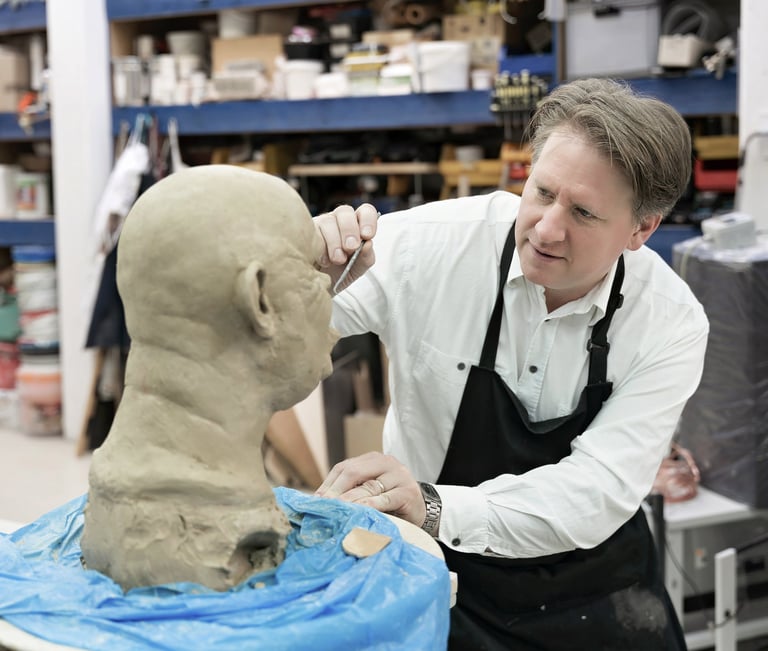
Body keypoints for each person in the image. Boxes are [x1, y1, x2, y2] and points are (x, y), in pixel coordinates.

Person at [313, 78, 709, 650]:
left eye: (583, 213)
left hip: (593, 588)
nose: (547, 228)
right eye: (542, 192)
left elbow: (594, 490)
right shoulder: (432, 248)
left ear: (641, 229)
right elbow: (282, 325)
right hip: (439, 572)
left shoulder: (668, 322)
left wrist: (431, 504)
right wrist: (308, 269)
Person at [82, 165, 338, 591]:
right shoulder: (219, 527)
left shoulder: (121, 482)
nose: (330, 287)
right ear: (259, 301)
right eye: (314, 269)